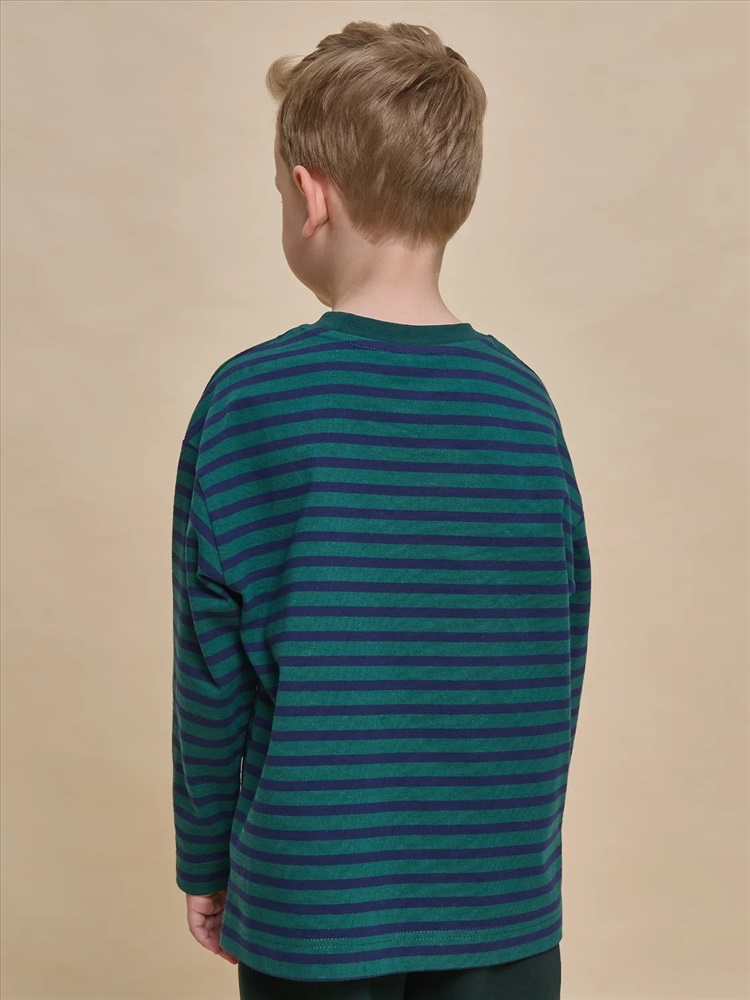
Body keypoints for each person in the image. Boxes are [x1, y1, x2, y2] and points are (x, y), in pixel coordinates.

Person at [171, 20, 591, 1000]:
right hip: (502, 900)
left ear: (310, 195)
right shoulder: (522, 403)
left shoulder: (252, 400)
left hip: (313, 902)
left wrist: (206, 858)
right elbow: (559, 643)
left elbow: (210, 668)